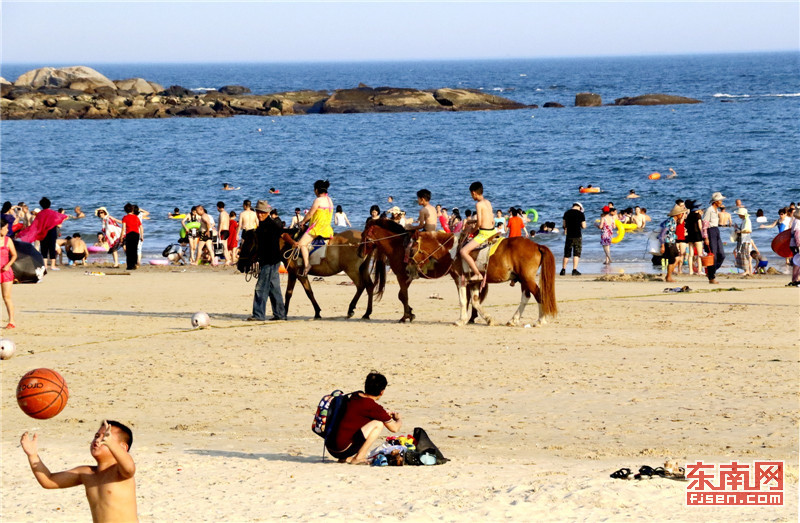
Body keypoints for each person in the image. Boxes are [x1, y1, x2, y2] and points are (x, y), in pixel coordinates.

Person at [20, 421, 137, 523]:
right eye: (97, 436)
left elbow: (129, 467)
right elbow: (48, 481)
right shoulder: (86, 473)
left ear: (123, 447)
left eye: (105, 437)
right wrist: (33, 455)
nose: (98, 440)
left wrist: (111, 443)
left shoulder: (120, 471)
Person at [326, 372, 402, 465]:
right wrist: (398, 419)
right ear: (382, 392)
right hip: (342, 449)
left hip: (330, 445)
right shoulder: (373, 407)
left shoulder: (355, 395)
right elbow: (394, 428)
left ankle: (344, 458)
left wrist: (383, 413)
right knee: (378, 424)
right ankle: (359, 457)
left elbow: (360, 412)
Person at [248, 200, 286, 321]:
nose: (260, 214)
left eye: (262, 212)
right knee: (274, 289)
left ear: (267, 213)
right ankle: (280, 314)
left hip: (269, 262)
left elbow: (283, 235)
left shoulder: (270, 225)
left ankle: (258, 315)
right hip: (272, 261)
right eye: (258, 212)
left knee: (261, 288)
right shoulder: (264, 225)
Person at [17, 198, 68, 271]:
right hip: (52, 231)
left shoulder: (40, 213)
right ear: (49, 204)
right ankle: (53, 266)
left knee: (44, 248)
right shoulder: (52, 212)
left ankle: (45, 265)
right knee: (52, 247)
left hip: (42, 232)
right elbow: (61, 217)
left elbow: (36, 224)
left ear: (41, 205)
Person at [297, 180, 334, 277]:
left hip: (317, 228)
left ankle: (307, 265)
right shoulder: (329, 200)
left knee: (302, 244)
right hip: (327, 228)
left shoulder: (318, 200)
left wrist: (303, 222)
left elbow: (310, 214)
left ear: (317, 190)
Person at [460, 181, 494, 281]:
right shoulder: (487, 202)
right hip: (492, 231)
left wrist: (471, 230)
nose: (471, 196)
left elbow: (479, 223)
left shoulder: (478, 205)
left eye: (471, 194)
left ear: (474, 193)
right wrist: (471, 221)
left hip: (484, 233)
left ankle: (477, 273)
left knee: (463, 251)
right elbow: (489, 218)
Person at [703, 192, 726, 284]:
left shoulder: (716, 210)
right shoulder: (709, 210)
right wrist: (705, 237)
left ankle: (710, 272)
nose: (721, 201)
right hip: (710, 231)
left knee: (722, 255)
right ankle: (711, 277)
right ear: (716, 201)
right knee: (713, 256)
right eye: (720, 200)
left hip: (716, 230)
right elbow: (704, 224)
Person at [660, 204, 685, 282]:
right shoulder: (670, 221)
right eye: (681, 213)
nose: (682, 215)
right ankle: (668, 277)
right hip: (668, 243)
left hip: (672, 242)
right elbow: (662, 233)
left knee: (677, 259)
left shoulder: (674, 221)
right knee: (672, 260)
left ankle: (668, 275)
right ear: (677, 214)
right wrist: (662, 245)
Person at [561, 202, 586, 276]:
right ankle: (574, 270)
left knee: (567, 253)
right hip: (577, 236)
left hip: (569, 236)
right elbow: (584, 226)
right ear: (580, 208)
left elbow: (564, 225)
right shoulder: (581, 214)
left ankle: (563, 270)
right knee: (576, 253)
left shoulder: (566, 213)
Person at [1, 217, 17, 329]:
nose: (8, 230)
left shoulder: (8, 240)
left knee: (6, 297)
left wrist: (8, 265)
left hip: (5, 272)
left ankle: (11, 321)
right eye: (6, 228)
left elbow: (14, 255)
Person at [684, 200, 704, 275]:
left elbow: (686, 226)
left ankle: (691, 271)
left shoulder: (689, 216)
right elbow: (700, 227)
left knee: (690, 254)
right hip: (697, 236)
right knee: (699, 254)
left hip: (690, 236)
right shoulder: (698, 216)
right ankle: (699, 270)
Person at [119, 203, 142, 271]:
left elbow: (123, 229)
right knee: (134, 249)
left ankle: (129, 265)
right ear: (132, 210)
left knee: (129, 250)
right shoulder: (136, 217)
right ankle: (134, 263)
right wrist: (142, 236)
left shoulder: (125, 217)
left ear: (125, 211)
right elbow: (140, 226)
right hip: (136, 234)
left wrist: (121, 237)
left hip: (129, 234)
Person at [734, 207, 754, 274]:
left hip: (745, 240)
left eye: (739, 214)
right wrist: (737, 228)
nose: (738, 215)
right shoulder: (744, 220)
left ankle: (747, 271)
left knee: (745, 254)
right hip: (743, 239)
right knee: (743, 254)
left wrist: (739, 231)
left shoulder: (747, 220)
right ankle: (746, 270)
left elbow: (749, 230)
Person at [788, 208, 800, 286]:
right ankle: (797, 279)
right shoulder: (798, 222)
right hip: (796, 245)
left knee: (796, 262)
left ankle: (795, 279)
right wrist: (799, 245)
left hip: (793, 244)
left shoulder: (795, 221)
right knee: (797, 262)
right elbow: (797, 235)